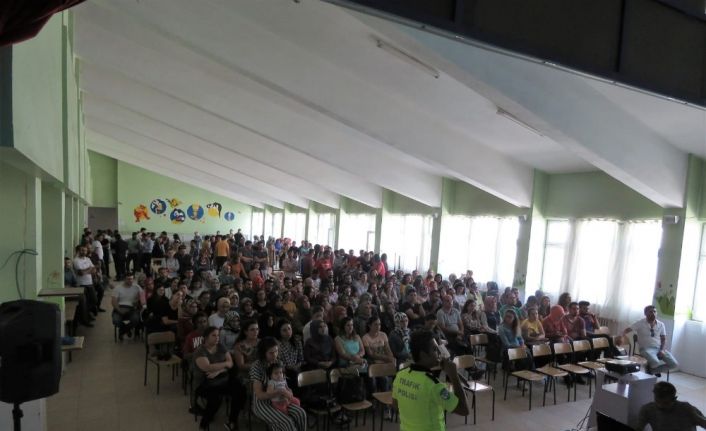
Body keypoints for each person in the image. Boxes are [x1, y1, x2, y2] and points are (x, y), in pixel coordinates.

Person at [392, 329, 469, 431]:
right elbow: (464, 409)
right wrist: (454, 376)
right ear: (423, 354)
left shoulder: (400, 375)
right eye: (435, 350)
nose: (439, 353)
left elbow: (395, 405)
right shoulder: (434, 385)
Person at [193, 326, 245, 431]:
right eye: (214, 335)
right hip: (205, 383)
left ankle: (232, 421)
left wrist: (219, 370)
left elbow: (230, 363)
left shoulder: (220, 346)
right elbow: (207, 367)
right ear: (206, 337)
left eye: (218, 335)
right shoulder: (200, 351)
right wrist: (225, 364)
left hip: (222, 379)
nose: (217, 338)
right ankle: (204, 423)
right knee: (215, 399)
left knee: (240, 390)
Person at [250, 337, 307, 431]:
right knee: (287, 422)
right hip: (263, 403)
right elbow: (260, 395)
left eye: (276, 351)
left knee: (301, 414)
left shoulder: (279, 362)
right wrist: (279, 391)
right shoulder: (256, 367)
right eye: (271, 353)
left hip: (281, 399)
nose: (274, 355)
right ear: (263, 353)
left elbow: (285, 385)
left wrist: (289, 393)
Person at [624, 305, 679, 376]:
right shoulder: (640, 323)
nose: (653, 313)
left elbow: (664, 339)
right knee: (655, 362)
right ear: (645, 313)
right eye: (650, 312)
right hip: (645, 349)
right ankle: (653, 370)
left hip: (658, 348)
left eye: (654, 311)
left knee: (674, 364)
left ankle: (653, 371)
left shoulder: (661, 324)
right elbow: (627, 330)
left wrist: (662, 350)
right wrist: (621, 336)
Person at [636, 381, 706, 431]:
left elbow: (703, 423)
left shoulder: (687, 409)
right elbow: (639, 428)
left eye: (666, 403)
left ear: (674, 399)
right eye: (657, 401)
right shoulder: (647, 410)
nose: (660, 406)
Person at [111, 273, 143, 341]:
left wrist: (138, 300)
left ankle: (122, 330)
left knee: (136, 319)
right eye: (128, 279)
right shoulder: (118, 288)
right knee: (116, 320)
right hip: (120, 307)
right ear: (124, 279)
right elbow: (114, 301)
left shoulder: (137, 287)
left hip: (132, 308)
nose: (130, 281)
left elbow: (143, 296)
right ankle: (127, 329)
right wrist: (119, 310)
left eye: (132, 279)